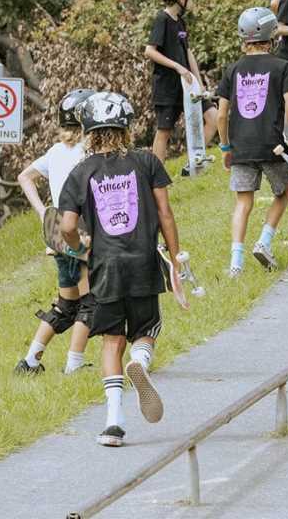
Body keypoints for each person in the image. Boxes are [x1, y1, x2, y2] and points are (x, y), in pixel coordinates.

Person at [59, 91, 183, 447]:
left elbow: (67, 225)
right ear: (126, 126)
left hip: (105, 267)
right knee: (147, 327)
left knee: (111, 342)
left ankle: (114, 423)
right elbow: (165, 213)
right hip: (142, 260)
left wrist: (80, 249)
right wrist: (175, 258)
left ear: (88, 129)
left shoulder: (80, 172)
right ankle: (141, 360)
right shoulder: (146, 162)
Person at [216, 7, 288, 277]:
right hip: (272, 144)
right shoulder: (282, 66)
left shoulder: (232, 70)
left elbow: (222, 114)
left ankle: (236, 263)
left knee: (243, 202)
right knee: (284, 192)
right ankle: (264, 242)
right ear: (272, 37)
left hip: (241, 147)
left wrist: (225, 147)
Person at [14, 89, 96, 375]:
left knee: (66, 305)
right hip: (80, 229)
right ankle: (74, 365)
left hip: (55, 230)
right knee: (90, 302)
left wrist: (42, 212)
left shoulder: (56, 151)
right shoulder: (89, 152)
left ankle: (30, 362)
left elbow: (24, 177)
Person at [145, 0, 218, 164]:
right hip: (168, 86)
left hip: (188, 85)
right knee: (164, 132)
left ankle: (194, 162)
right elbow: (150, 51)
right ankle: (156, 178)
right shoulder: (162, 19)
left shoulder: (181, 21)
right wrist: (177, 66)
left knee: (213, 117)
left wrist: (199, 83)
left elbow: (188, 52)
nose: (191, 1)